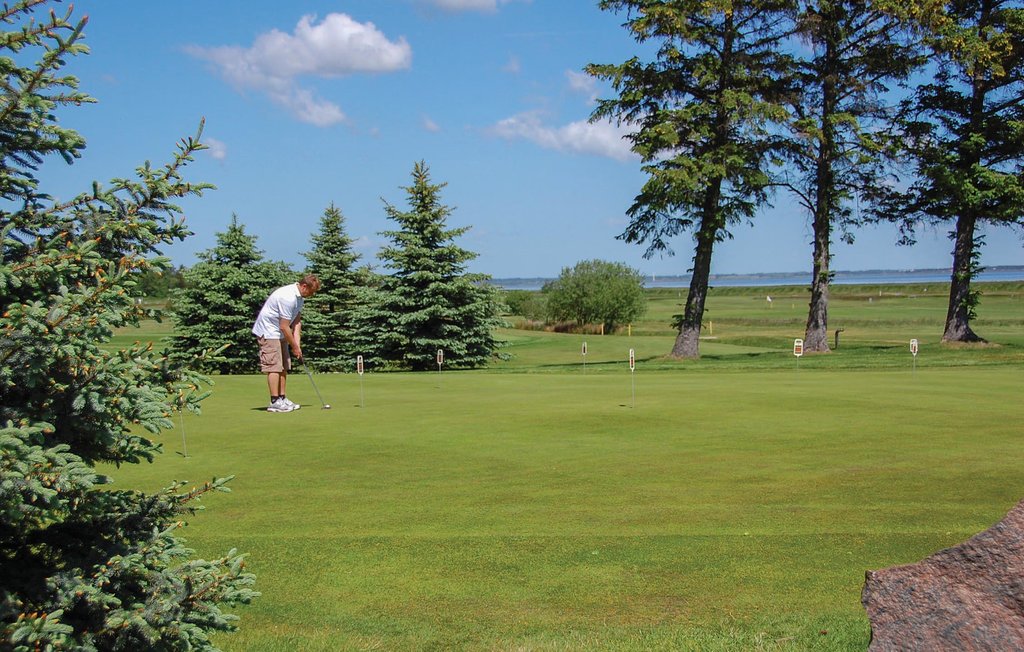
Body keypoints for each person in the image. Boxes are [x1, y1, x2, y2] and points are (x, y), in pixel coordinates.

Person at [252, 274, 321, 412]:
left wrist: (297, 345)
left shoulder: (299, 298)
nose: (312, 295)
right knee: (274, 366)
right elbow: (284, 325)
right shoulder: (288, 297)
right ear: (304, 286)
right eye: (311, 292)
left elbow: (296, 322)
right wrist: (294, 347)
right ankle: (274, 401)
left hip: (279, 332)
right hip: (269, 331)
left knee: (283, 365)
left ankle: (282, 398)